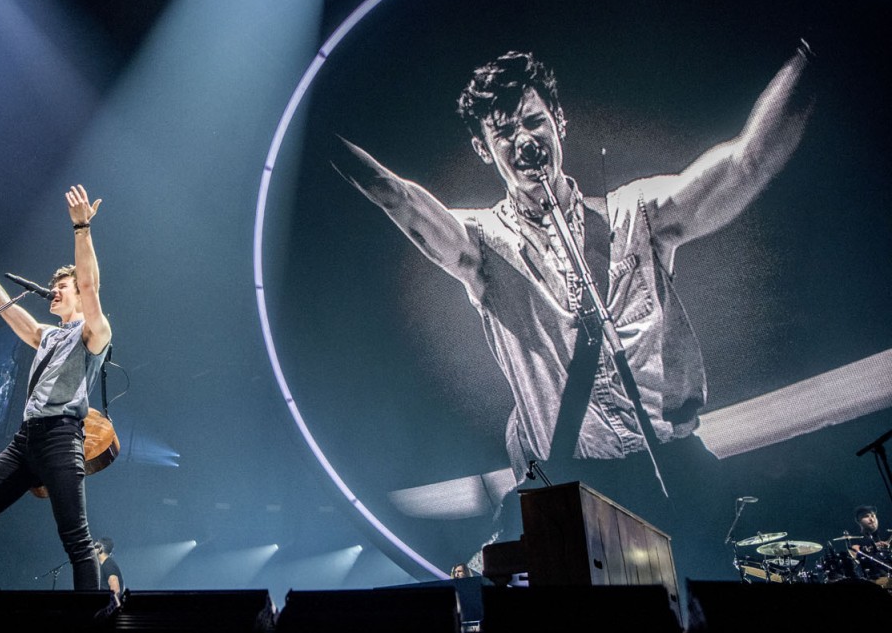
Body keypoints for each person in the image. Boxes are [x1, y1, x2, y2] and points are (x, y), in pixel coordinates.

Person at [333, 44, 813, 506]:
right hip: (579, 486)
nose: (524, 140)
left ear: (558, 122)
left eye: (533, 121)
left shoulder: (634, 214)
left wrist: (812, 56)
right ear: (483, 149)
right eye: (504, 133)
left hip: (675, 467)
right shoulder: (483, 244)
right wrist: (317, 129)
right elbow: (395, 195)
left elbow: (746, 165)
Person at [0, 184, 113, 598]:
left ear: (77, 295)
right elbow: (2, 304)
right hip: (25, 440)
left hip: (61, 437)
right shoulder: (45, 334)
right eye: (53, 286)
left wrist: (81, 228)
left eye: (62, 287)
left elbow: (91, 287)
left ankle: (89, 619)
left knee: (76, 539)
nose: (54, 291)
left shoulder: (93, 333)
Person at [850, 505, 891, 581]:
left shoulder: (884, 535)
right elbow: (854, 553)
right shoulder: (856, 539)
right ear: (858, 521)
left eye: (873, 516)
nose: (872, 519)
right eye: (866, 516)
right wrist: (873, 546)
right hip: (874, 579)